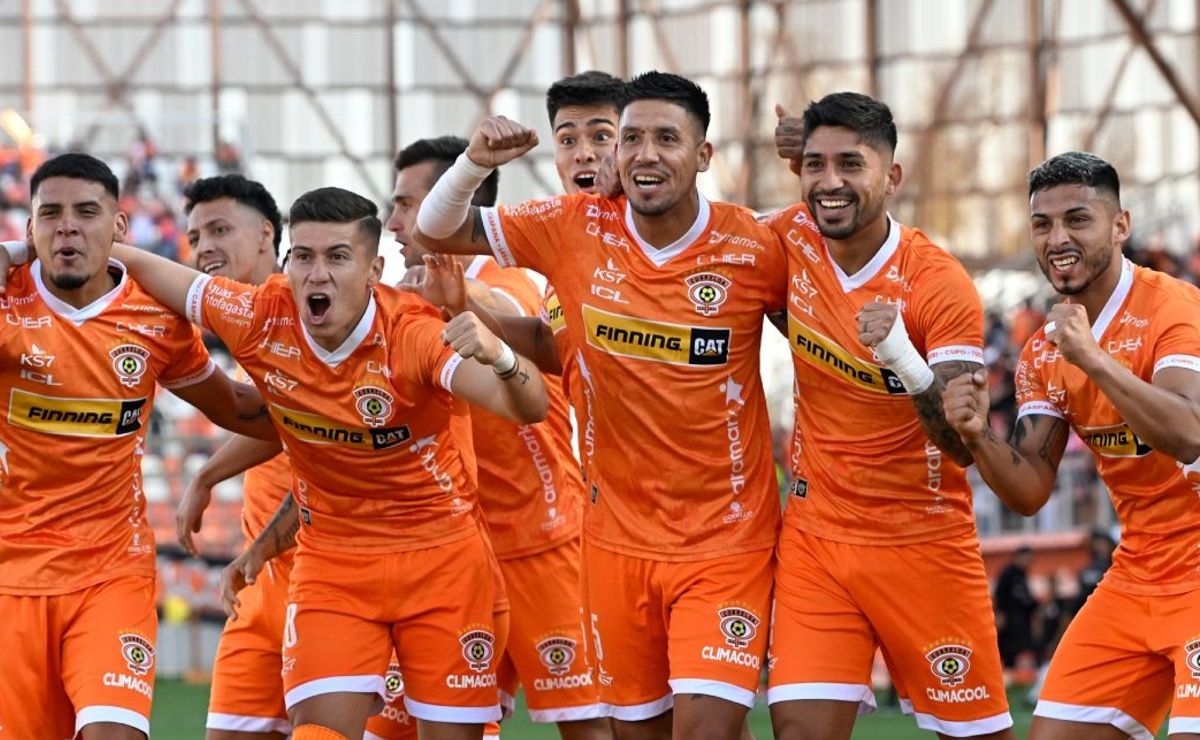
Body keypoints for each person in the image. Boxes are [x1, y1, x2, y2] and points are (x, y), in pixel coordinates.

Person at [4, 185, 551, 740]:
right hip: (332, 565)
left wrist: (501, 355)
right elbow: (162, 277)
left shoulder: (412, 334)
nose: (317, 274)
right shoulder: (261, 315)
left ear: (373, 269)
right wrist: (29, 248)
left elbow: (526, 406)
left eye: (337, 257)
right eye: (305, 258)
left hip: (442, 563)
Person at [414, 70, 786, 740]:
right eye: (570, 139)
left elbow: (824, 321)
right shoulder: (568, 231)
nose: (595, 152)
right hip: (613, 539)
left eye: (654, 137)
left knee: (705, 728)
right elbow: (438, 231)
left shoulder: (754, 245)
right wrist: (474, 162)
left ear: (702, 155)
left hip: (725, 539)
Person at [0, 153, 276, 740]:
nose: (67, 226)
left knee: (115, 733)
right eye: (50, 213)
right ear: (28, 229)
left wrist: (333, 413)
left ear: (120, 228)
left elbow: (235, 407)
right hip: (11, 579)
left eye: (86, 212)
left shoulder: (155, 317)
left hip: (111, 573)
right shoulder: (7, 302)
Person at [763, 93, 1013, 739]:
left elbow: (963, 447)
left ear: (891, 177)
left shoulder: (938, 283)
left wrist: (901, 354)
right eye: (815, 165)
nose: (831, 182)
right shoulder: (786, 240)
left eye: (852, 163)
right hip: (818, 537)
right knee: (798, 729)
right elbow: (695, 239)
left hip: (922, 541)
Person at [943, 150, 1200, 740]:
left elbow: (1187, 433)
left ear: (1120, 226)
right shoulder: (1041, 351)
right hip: (1138, 572)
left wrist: (1093, 359)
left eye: (1077, 220)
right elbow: (1031, 488)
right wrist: (980, 436)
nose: (1058, 238)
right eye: (1042, 224)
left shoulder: (1172, 307)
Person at [384, 134, 609, 740]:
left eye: (407, 203)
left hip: (542, 540)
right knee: (416, 725)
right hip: (458, 552)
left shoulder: (505, 276)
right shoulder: (403, 297)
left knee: (588, 725)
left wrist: (468, 302)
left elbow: (518, 323)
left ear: (449, 203)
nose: (393, 220)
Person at [173, 174, 296, 740]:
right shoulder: (251, 323)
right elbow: (277, 420)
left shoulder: (309, 309)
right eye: (196, 236)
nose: (204, 249)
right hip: (259, 587)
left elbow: (315, 427)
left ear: (267, 234)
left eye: (220, 229)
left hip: (334, 583)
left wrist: (206, 474)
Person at [994, 546, 1038, 669]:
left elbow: (1026, 598)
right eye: (1027, 559)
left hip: (1022, 620)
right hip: (1010, 619)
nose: (1029, 562)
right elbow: (999, 594)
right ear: (1019, 557)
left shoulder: (1022, 574)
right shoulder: (1008, 573)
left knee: (1022, 648)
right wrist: (1000, 614)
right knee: (1009, 648)